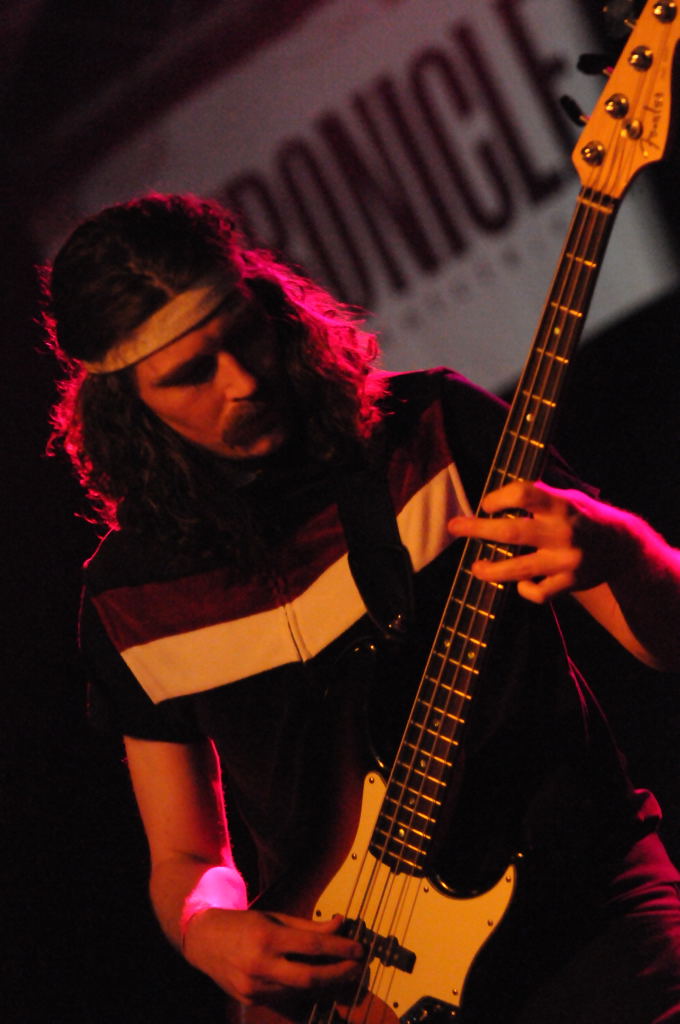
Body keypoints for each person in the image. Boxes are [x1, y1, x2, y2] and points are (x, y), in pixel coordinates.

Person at [43, 192, 680, 1023]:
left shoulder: (433, 432)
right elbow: (186, 857)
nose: (242, 382)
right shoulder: (131, 598)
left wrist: (620, 548)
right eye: (190, 374)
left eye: (244, 336)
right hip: (359, 986)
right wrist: (208, 931)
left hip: (593, 928)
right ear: (126, 404)